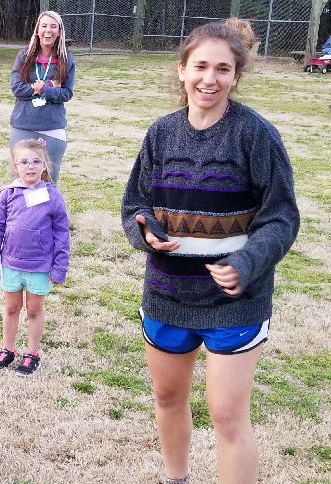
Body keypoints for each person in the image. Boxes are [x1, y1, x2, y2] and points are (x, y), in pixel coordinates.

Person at [121, 19, 299, 484]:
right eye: (200, 66)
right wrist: (145, 231)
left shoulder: (256, 136)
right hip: (167, 293)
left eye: (222, 69)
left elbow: (281, 217)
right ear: (182, 70)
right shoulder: (160, 134)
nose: (209, 79)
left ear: (236, 76)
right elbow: (135, 204)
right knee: (167, 398)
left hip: (235, 303)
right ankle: (175, 478)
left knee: (226, 416)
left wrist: (247, 261)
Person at [0, 139, 69, 376]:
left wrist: (59, 267)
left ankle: (32, 353)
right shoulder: (7, 194)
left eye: (36, 161)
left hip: (40, 267)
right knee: (12, 307)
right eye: (24, 162)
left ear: (45, 166)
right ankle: (8, 349)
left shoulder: (52, 196)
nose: (30, 167)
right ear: (15, 165)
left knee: (34, 310)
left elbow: (62, 234)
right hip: (11, 263)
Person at [9, 11, 75, 184]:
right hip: (23, 125)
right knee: (20, 180)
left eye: (53, 26)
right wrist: (44, 86)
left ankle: (48, 212)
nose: (48, 30)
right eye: (44, 26)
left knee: (49, 181)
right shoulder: (24, 56)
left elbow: (66, 93)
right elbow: (17, 88)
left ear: (59, 31)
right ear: (37, 30)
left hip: (52, 128)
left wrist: (44, 88)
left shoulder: (66, 59)